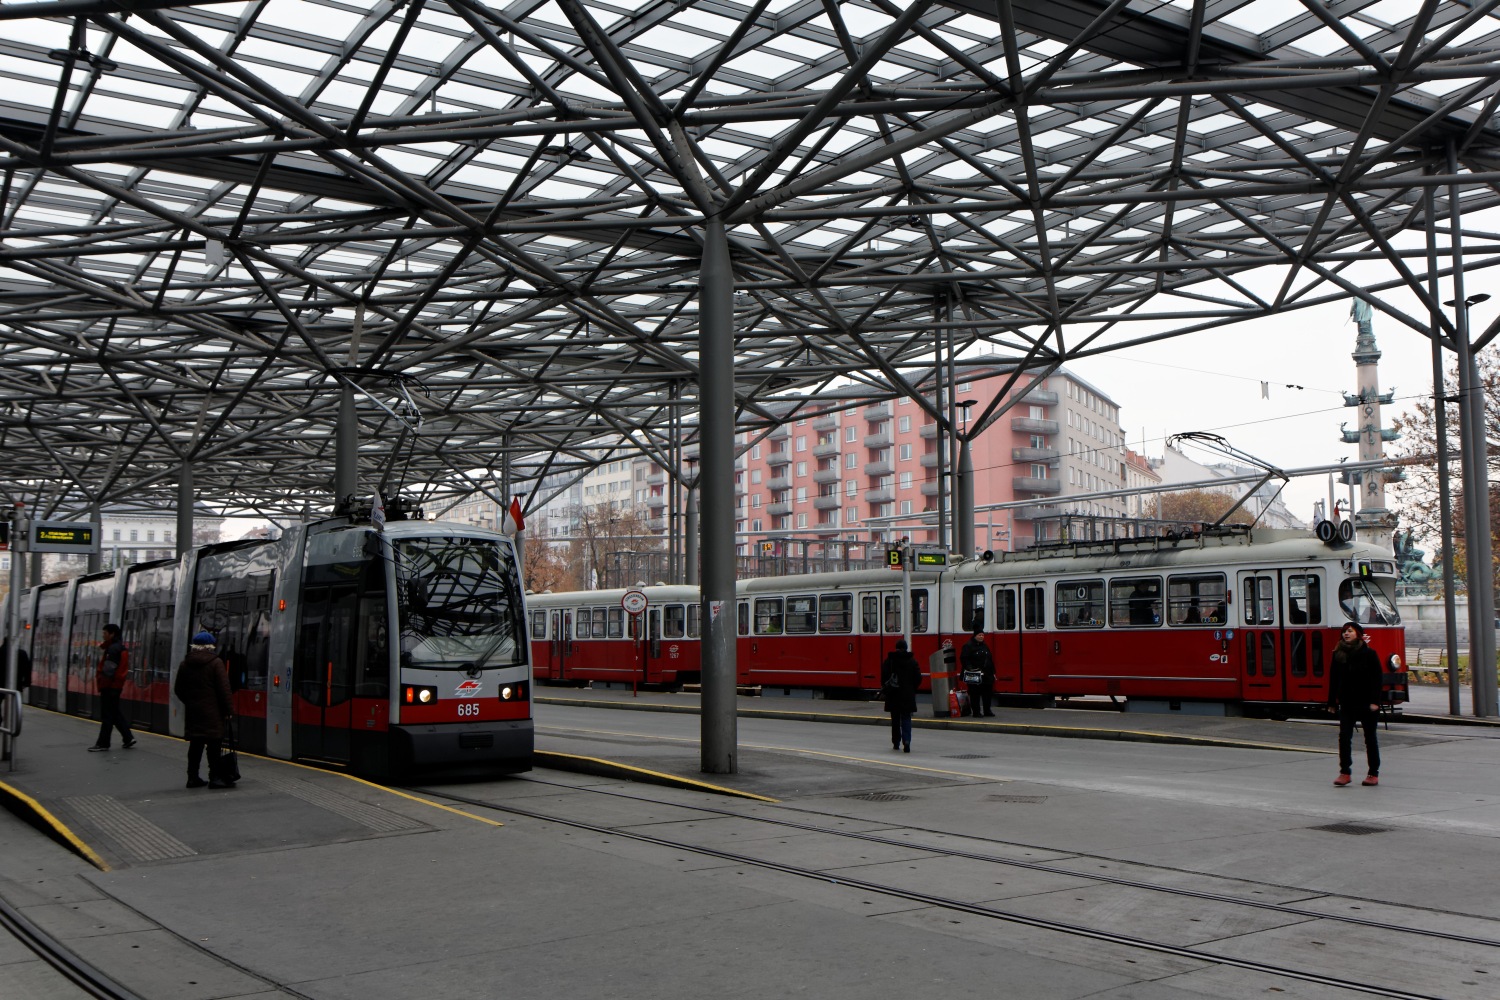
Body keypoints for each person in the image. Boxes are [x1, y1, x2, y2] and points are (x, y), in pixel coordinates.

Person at [173, 630, 235, 789]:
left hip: (194, 712)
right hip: (213, 713)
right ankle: (214, 777)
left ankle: (192, 778)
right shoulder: (216, 663)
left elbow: (178, 689)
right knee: (214, 746)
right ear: (210, 646)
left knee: (195, 745)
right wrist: (228, 710)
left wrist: (190, 702)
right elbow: (224, 689)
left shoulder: (185, 664)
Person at [1329, 621, 1383, 787]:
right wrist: (1332, 702)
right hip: (1347, 703)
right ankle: (1345, 772)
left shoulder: (1369, 654)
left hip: (1367, 703)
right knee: (1344, 737)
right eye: (1344, 631)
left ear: (1358, 634)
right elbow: (1334, 679)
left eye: (1350, 631)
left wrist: (1375, 701)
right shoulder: (1338, 654)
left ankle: (1373, 773)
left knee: (1370, 739)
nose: (1346, 634)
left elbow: (1377, 679)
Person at [88, 624, 135, 752]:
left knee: (107, 715)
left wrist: (103, 684)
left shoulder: (113, 649)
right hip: (116, 686)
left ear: (112, 634)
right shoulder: (120, 648)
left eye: (105, 633)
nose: (103, 635)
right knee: (114, 712)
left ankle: (103, 743)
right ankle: (128, 737)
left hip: (109, 686)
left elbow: (108, 670)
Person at [880, 638, 921, 753]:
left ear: (896, 647)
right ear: (906, 648)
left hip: (893, 694)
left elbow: (884, 677)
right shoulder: (912, 661)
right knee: (906, 718)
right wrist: (912, 689)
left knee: (895, 719)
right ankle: (907, 741)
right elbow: (918, 678)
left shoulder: (889, 661)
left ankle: (896, 742)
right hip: (907, 694)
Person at [960, 629, 996, 717]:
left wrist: (993, 672)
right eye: (979, 635)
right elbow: (964, 659)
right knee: (974, 694)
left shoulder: (985, 646)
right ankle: (976, 712)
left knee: (987, 693)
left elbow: (989, 659)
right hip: (974, 674)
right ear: (975, 636)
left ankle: (987, 710)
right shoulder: (968, 646)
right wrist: (970, 669)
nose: (981, 637)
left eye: (982, 635)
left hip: (987, 674)